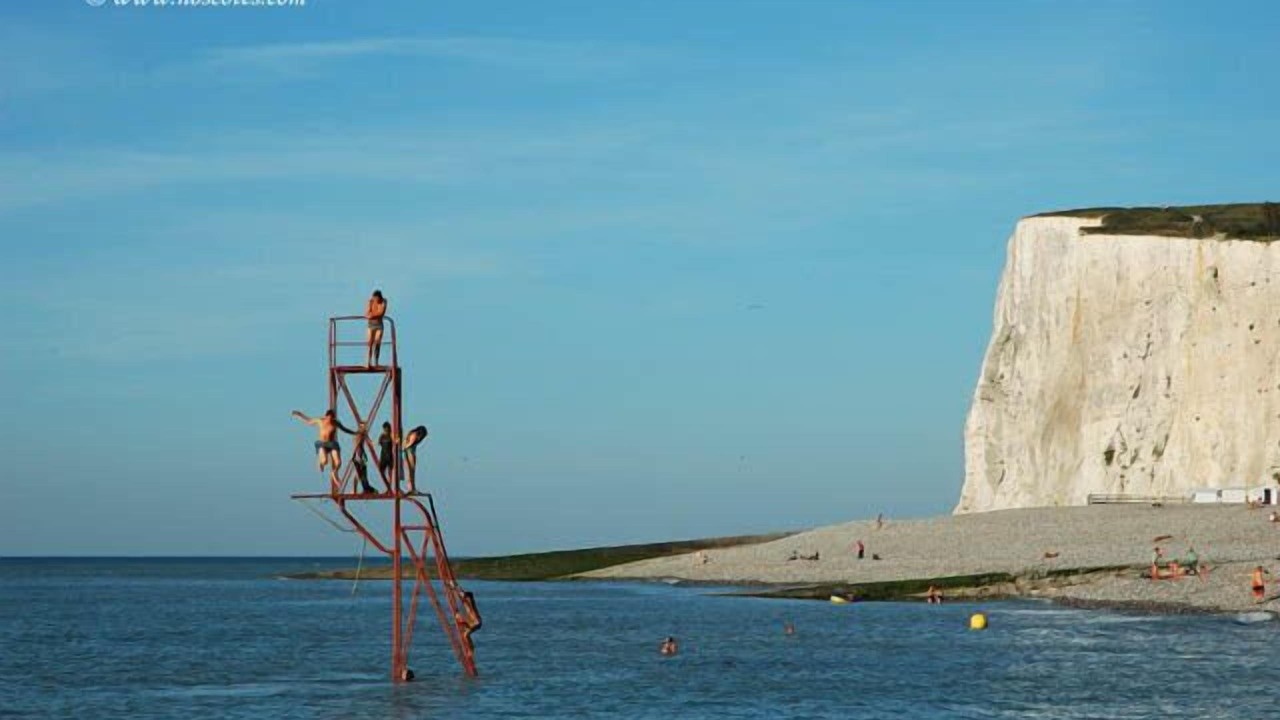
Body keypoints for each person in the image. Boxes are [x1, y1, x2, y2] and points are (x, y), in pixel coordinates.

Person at [291, 409, 360, 491]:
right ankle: (320, 461)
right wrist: (299, 415)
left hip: (332, 444)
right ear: (326, 417)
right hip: (322, 444)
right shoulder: (320, 421)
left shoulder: (336, 423)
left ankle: (334, 472)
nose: (330, 420)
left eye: (332, 419)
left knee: (338, 462)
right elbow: (308, 421)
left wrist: (355, 433)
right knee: (325, 462)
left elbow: (345, 429)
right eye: (329, 419)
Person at [402, 425, 428, 493]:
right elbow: (409, 445)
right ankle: (411, 488)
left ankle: (412, 488)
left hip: (410, 452)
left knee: (411, 471)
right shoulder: (414, 435)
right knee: (411, 471)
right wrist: (403, 448)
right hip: (409, 452)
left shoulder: (412, 434)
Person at [366, 290, 388, 367]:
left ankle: (376, 362)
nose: (375, 300)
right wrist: (373, 315)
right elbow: (367, 314)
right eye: (374, 298)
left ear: (379, 297)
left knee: (377, 343)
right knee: (370, 344)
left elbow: (381, 313)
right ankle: (368, 362)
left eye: (376, 298)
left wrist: (372, 315)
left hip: (379, 325)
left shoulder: (384, 301)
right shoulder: (371, 301)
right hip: (371, 325)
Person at [377, 421, 396, 486]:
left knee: (390, 471)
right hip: (383, 455)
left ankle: (389, 485)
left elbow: (395, 441)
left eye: (387, 428)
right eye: (385, 428)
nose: (386, 430)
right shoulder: (382, 436)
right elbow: (378, 443)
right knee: (381, 470)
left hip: (389, 455)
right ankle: (388, 484)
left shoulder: (391, 435)